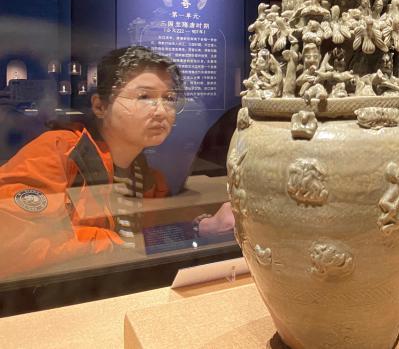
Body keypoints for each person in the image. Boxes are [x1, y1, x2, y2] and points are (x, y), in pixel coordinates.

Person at [0, 46, 228, 278]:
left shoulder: (147, 177)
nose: (161, 111)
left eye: (169, 98)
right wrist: (111, 243)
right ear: (100, 106)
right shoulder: (58, 152)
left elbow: (153, 235)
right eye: (144, 97)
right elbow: (12, 245)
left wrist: (204, 227)